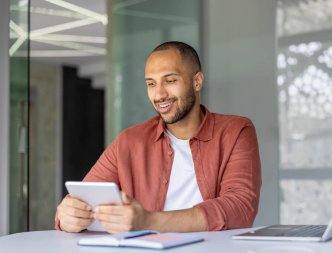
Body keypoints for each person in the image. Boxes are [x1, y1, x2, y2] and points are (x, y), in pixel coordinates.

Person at [55, 41, 261, 233]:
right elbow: (84, 198)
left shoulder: (235, 131)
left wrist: (148, 221)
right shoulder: (129, 141)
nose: (159, 94)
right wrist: (68, 216)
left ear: (197, 82)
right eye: (151, 84)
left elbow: (240, 209)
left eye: (170, 80)